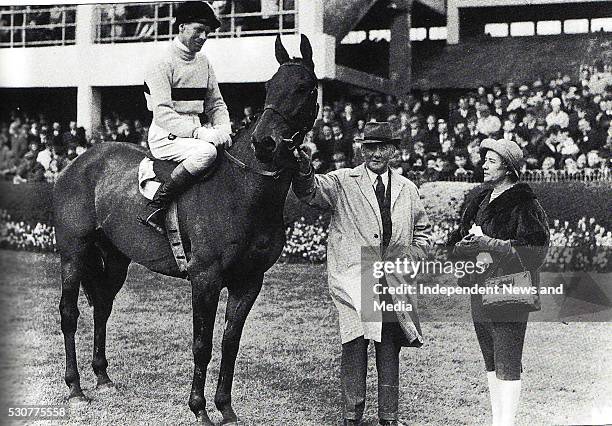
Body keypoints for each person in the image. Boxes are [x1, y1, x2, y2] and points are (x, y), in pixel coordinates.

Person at [292, 122, 431, 426]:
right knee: (355, 345)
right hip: (356, 275)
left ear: (393, 151)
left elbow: (423, 233)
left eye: (382, 147)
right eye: (369, 147)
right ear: (361, 150)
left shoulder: (407, 189)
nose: (375, 154)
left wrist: (411, 257)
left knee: (389, 346)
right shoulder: (343, 181)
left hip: (392, 276)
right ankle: (351, 419)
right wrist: (302, 165)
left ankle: (389, 418)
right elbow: (310, 192)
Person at [448, 138, 550, 426]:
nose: (484, 165)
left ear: (508, 168)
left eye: (491, 161)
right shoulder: (479, 200)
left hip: (510, 289)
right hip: (479, 289)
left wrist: (489, 243)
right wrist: (467, 249)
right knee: (491, 362)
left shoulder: (525, 203)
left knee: (508, 361)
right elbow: (455, 243)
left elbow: (536, 250)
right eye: (485, 160)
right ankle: (498, 421)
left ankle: (507, 423)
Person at [139, 1, 232, 234]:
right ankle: (158, 206)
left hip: (196, 133)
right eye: (198, 30)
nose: (203, 37)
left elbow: (216, 104)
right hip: (165, 135)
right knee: (207, 152)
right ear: (181, 27)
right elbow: (162, 113)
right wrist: (200, 133)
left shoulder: (204, 63)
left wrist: (224, 129)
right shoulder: (161, 61)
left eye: (207, 33)